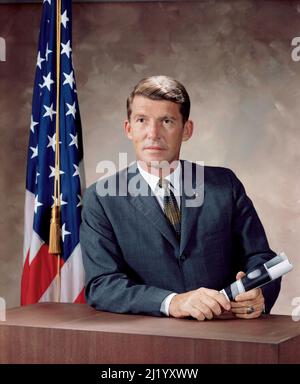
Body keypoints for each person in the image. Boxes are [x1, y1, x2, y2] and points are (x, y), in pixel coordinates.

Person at [80, 75, 281, 320]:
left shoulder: (224, 185)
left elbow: (260, 257)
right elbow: (102, 285)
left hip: (227, 337)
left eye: (166, 121)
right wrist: (172, 302)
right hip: (146, 341)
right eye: (142, 120)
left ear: (187, 129)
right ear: (129, 129)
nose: (153, 133)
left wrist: (258, 293)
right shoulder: (101, 199)